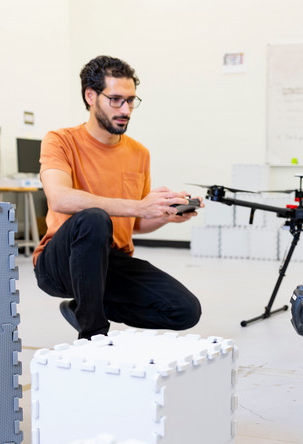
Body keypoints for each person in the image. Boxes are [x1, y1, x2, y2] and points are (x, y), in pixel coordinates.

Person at [33, 55, 202, 340]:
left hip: (110, 262)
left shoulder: (139, 153)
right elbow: (60, 198)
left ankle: (86, 307)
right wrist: (140, 205)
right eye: (115, 100)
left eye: (131, 100)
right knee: (93, 219)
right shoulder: (60, 140)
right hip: (59, 263)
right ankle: (93, 334)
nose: (126, 109)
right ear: (90, 96)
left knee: (184, 310)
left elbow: (134, 224)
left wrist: (163, 215)